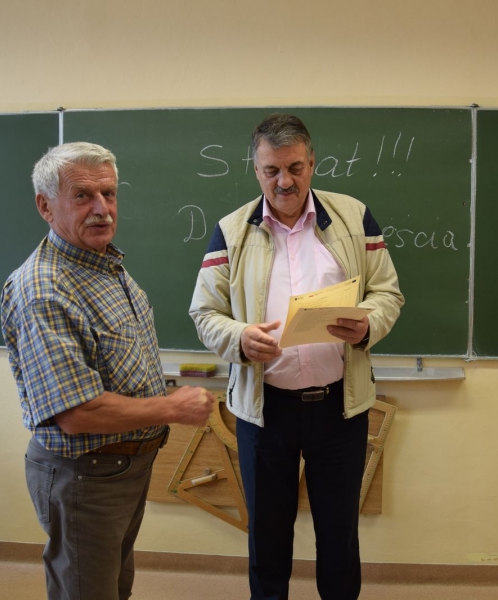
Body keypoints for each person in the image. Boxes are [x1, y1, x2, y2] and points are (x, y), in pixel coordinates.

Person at [190, 113, 404, 600]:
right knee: (267, 538)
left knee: (339, 536)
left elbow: (387, 292)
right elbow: (205, 312)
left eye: (294, 168)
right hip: (265, 411)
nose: (284, 181)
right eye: (271, 170)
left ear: (312, 163)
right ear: (256, 169)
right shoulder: (230, 231)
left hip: (339, 408)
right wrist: (240, 337)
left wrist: (368, 323)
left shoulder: (353, 217)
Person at [0, 142, 215, 600]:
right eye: (82, 196)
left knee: (113, 587)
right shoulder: (44, 288)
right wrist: (172, 407)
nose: (102, 208)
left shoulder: (102, 264)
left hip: (120, 469)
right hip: (85, 474)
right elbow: (76, 413)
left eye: (109, 194)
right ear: (45, 206)